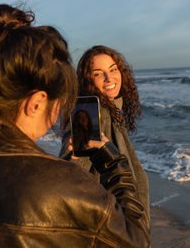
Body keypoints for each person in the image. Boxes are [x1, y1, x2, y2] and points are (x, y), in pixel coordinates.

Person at [0, 4, 150, 247]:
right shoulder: (59, 184)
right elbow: (135, 240)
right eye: (60, 99)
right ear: (37, 102)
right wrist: (114, 164)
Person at [60, 45, 150, 226]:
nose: (110, 78)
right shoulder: (93, 115)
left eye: (113, 69)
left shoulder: (111, 110)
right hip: (111, 227)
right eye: (98, 73)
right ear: (87, 80)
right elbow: (71, 175)